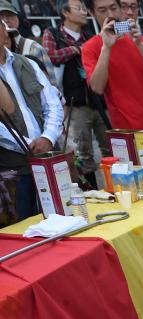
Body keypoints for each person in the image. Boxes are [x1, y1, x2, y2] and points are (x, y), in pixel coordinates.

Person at [0, 19, 64, 220]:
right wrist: (26, 145)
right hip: (13, 168)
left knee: (60, 217)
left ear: (5, 31)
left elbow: (52, 103)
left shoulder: (26, 63)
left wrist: (48, 138)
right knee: (22, 227)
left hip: (48, 159)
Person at [42, 0, 106, 187]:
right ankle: (91, 192)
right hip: (74, 104)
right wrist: (76, 49)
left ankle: (117, 187)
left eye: (85, 9)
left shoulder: (90, 36)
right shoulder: (52, 33)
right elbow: (50, 57)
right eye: (79, 8)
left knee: (110, 146)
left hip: (100, 101)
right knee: (82, 154)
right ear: (65, 12)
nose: (84, 12)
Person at [82, 0, 143, 130]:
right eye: (102, 10)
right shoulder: (90, 47)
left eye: (113, 8)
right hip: (124, 128)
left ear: (119, 8)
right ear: (92, 13)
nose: (110, 14)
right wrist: (106, 47)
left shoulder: (141, 40)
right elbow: (97, 88)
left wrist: (139, 44)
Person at [0, 1, 55, 79]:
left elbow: (52, 84)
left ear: (17, 18)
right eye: (0, 17)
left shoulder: (33, 48)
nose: (5, 20)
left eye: (9, 15)